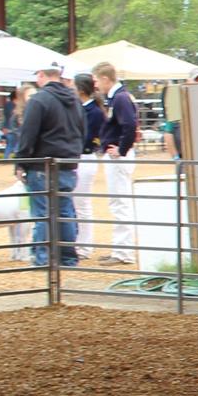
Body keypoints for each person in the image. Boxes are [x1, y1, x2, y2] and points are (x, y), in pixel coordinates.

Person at [13, 62, 86, 269]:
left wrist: (21, 162)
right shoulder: (74, 99)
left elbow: (28, 134)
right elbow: (83, 130)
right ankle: (68, 257)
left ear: (42, 76)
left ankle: (42, 258)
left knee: (43, 214)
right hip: (67, 163)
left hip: (42, 164)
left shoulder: (39, 100)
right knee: (64, 211)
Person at [93, 64, 140, 266]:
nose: (95, 84)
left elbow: (129, 125)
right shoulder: (119, 97)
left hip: (119, 157)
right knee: (118, 202)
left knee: (120, 203)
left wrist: (121, 149)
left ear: (105, 78)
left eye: (96, 80)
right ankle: (120, 249)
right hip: (117, 155)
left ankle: (124, 252)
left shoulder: (120, 98)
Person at [71, 73, 105, 262]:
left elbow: (88, 137)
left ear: (81, 90)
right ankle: (79, 242)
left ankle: (84, 246)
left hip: (85, 155)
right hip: (78, 156)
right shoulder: (81, 108)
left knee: (82, 204)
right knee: (76, 203)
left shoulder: (94, 112)